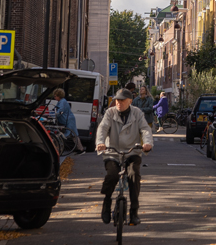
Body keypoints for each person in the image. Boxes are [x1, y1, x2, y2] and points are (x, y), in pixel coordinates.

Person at [96, 87, 152, 226]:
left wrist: (147, 143)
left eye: (122, 101)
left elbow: (145, 129)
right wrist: (101, 143)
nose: (118, 103)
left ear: (130, 101)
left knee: (134, 175)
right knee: (112, 176)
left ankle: (134, 211)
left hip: (131, 152)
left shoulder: (137, 113)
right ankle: (107, 202)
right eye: (117, 100)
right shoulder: (110, 112)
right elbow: (102, 128)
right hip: (112, 151)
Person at [53, 88, 84, 153]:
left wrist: (53, 114)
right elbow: (55, 109)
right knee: (73, 134)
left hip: (69, 120)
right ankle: (80, 149)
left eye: (55, 96)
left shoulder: (62, 102)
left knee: (73, 134)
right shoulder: (61, 101)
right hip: (68, 119)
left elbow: (60, 110)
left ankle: (80, 149)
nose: (54, 97)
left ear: (59, 96)